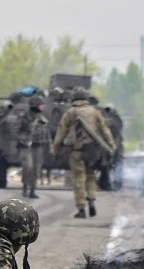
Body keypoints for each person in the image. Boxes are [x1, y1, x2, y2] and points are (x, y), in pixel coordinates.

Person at [50, 89, 116, 218]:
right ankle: (91, 199)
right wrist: (112, 146)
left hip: (77, 151)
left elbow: (61, 132)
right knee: (91, 176)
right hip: (92, 151)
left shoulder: (70, 113)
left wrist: (55, 149)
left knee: (79, 178)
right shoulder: (95, 112)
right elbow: (105, 130)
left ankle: (81, 208)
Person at [17, 100, 51, 198]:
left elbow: (47, 132)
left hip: (38, 146)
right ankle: (25, 186)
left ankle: (32, 189)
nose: (42, 107)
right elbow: (16, 130)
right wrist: (22, 139)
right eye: (40, 105)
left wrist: (50, 145)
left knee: (36, 168)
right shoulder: (24, 117)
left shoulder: (41, 118)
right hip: (26, 146)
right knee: (27, 167)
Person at [101, 104, 125, 191]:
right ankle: (105, 184)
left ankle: (117, 184)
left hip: (117, 146)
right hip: (106, 145)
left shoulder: (117, 120)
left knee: (117, 165)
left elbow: (116, 128)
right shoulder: (103, 119)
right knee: (105, 166)